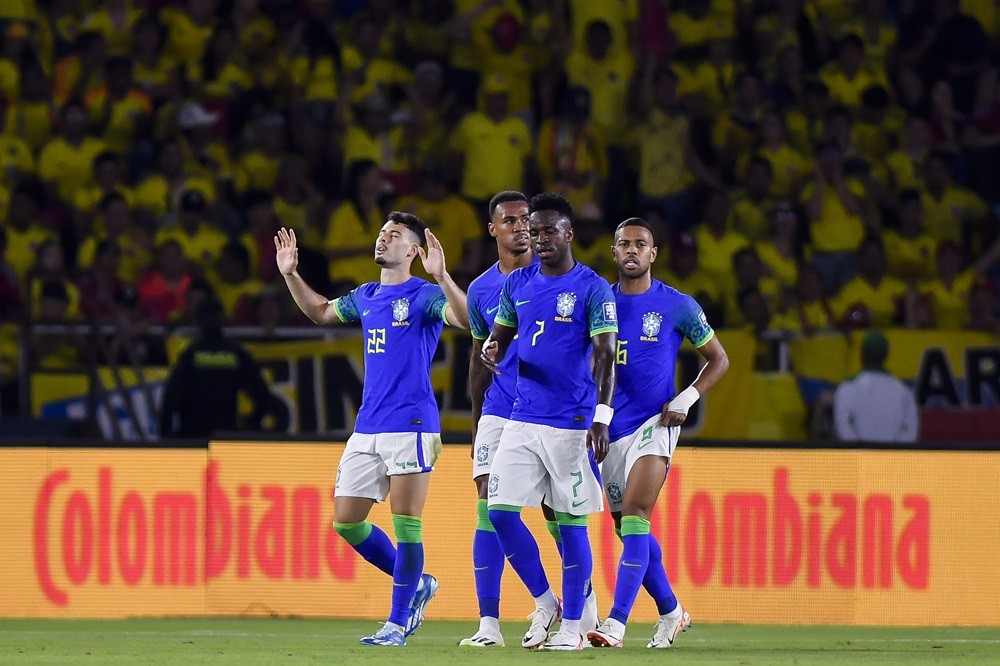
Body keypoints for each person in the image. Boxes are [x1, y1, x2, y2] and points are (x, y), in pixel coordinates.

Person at [275, 211, 469, 646]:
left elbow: (466, 320)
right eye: (382, 233)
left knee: (406, 522)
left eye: (394, 235)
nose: (383, 240)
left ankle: (397, 624)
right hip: (367, 427)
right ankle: (417, 585)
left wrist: (442, 277)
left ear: (414, 251)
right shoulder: (365, 295)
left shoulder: (423, 296)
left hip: (412, 423)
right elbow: (322, 311)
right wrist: (291, 275)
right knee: (346, 522)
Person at [480, 193, 617, 651]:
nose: (539, 239)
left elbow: (605, 355)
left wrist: (601, 415)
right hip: (522, 415)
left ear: (569, 233)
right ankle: (547, 601)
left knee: (569, 522)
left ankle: (574, 628)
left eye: (548, 231)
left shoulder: (593, 287)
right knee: (499, 511)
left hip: (572, 422)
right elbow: (499, 336)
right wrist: (492, 349)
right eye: (533, 232)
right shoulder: (517, 283)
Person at [588, 217, 729, 649]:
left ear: (653, 254)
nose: (632, 250)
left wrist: (688, 397)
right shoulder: (598, 304)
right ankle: (671, 612)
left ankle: (616, 622)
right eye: (624, 244)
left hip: (656, 423)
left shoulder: (677, 304)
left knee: (635, 514)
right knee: (629, 531)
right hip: (610, 429)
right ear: (613, 253)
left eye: (641, 244)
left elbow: (719, 359)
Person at [159, 298, 287, 438]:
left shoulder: (190, 355)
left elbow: (170, 397)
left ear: (199, 320)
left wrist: (166, 433)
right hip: (226, 434)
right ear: (222, 319)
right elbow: (262, 396)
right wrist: (252, 422)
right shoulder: (236, 354)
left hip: (192, 435)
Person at [833, 331, 919, 443]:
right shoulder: (903, 390)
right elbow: (909, 431)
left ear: (861, 355)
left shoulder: (848, 387)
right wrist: (890, 455)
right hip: (891, 458)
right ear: (886, 356)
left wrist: (862, 454)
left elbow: (843, 427)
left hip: (860, 458)